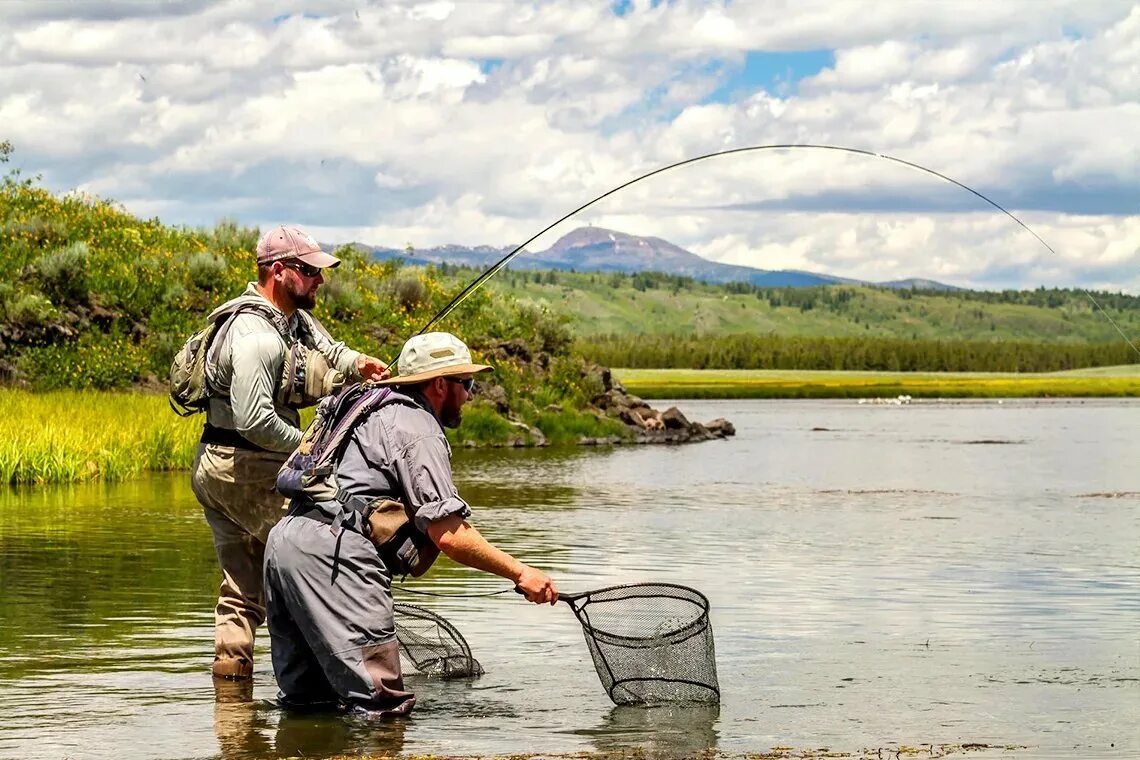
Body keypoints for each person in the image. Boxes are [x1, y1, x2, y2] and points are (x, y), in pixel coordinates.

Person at [263, 331, 559, 716]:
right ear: (439, 384)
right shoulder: (415, 424)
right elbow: (449, 535)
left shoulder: (365, 404)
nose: (470, 394)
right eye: (466, 383)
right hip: (334, 556)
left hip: (286, 541)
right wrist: (521, 573)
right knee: (380, 707)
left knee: (307, 706)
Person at [190, 224, 390, 680]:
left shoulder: (293, 318)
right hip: (240, 467)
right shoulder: (255, 336)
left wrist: (360, 364)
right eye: (310, 271)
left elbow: (329, 349)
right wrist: (308, 446)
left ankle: (233, 712)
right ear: (279, 271)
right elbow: (255, 420)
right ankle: (329, 680)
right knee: (320, 548)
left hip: (220, 465)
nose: (320, 280)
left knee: (242, 590)